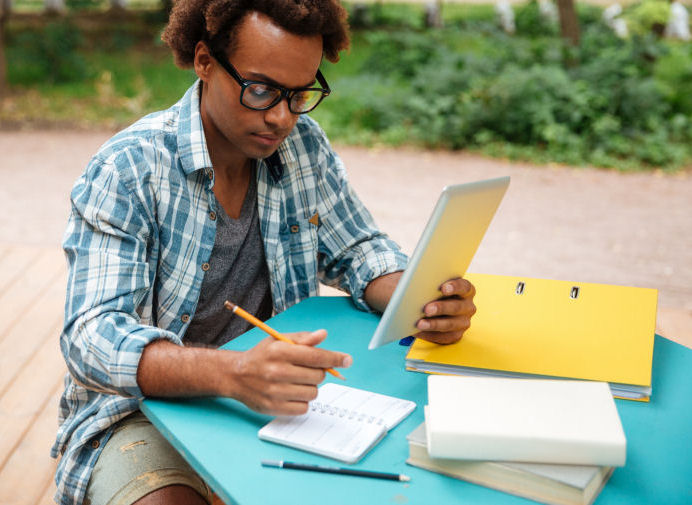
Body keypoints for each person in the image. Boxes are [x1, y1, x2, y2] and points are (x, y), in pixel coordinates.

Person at [51, 1, 476, 504]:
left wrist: (420, 297)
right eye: (261, 90)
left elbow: (358, 248)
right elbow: (91, 336)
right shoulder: (128, 169)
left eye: (300, 95)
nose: (281, 118)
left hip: (280, 401)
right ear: (204, 61)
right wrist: (233, 373)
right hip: (143, 413)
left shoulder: (302, 148)